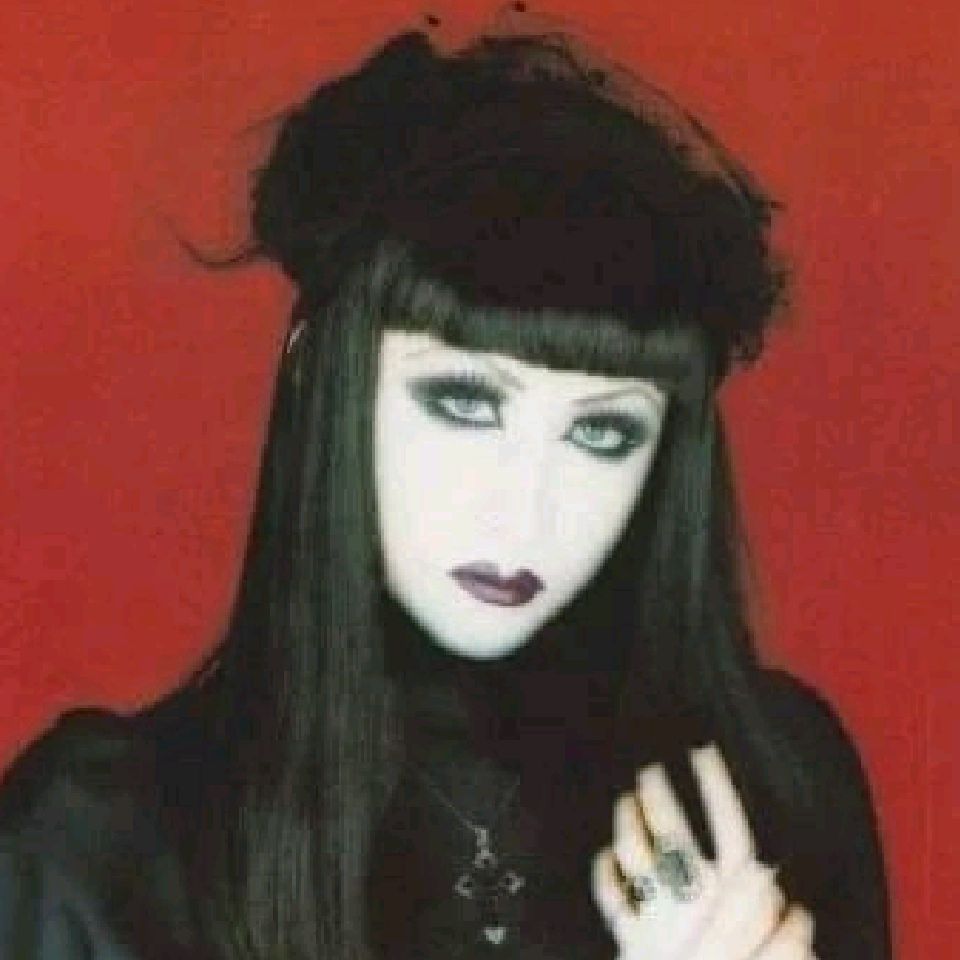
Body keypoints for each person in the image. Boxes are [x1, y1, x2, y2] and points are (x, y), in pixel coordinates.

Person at [0, 23, 891, 960]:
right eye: (464, 403)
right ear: (318, 372)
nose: (523, 509)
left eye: (602, 432)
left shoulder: (777, 785)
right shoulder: (93, 846)